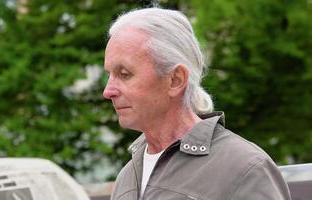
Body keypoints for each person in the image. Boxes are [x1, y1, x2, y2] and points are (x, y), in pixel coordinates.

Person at [103, 7, 291, 200]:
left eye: (124, 74)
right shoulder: (127, 176)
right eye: (108, 75)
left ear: (175, 80)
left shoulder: (245, 168)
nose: (107, 91)